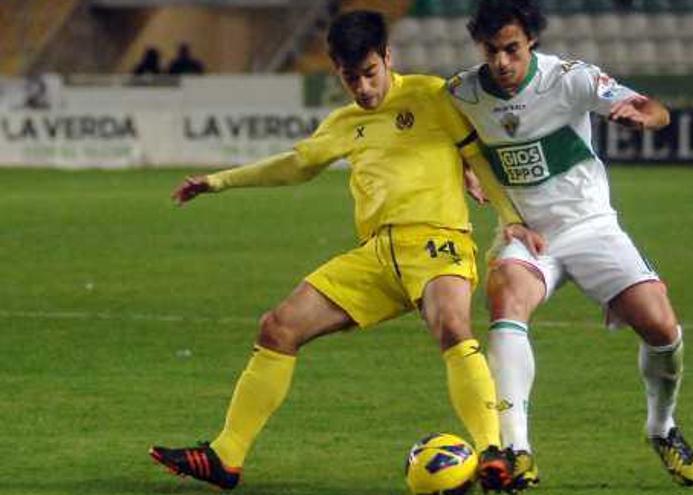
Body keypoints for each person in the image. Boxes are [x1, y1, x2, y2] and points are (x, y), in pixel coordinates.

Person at [149, 10, 536, 492]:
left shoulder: (433, 95)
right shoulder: (344, 121)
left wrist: (511, 216)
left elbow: (477, 152)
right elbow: (295, 165)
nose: (364, 88)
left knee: (451, 324)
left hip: (438, 242)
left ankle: (492, 452)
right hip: (375, 256)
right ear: (338, 71)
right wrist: (217, 181)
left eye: (370, 73)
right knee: (278, 327)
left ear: (388, 57)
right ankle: (226, 457)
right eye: (351, 78)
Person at [446, 0, 693, 489]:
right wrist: (462, 168)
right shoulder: (462, 93)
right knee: (505, 294)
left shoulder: (570, 78)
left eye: (512, 49)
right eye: (491, 50)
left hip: (590, 226)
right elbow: (443, 142)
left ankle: (661, 426)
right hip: (527, 234)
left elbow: (657, 110)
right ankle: (517, 448)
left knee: (662, 327)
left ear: (531, 42)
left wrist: (641, 119)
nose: (501, 61)